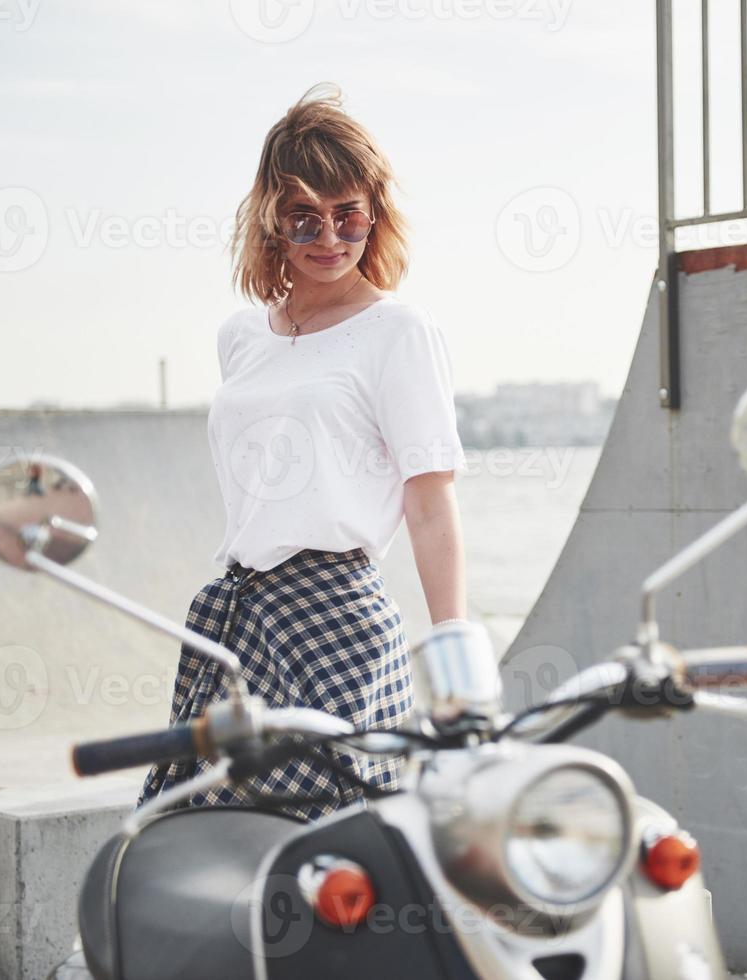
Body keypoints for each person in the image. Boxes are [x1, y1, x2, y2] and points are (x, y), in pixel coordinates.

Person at [138, 83, 467, 821]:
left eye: (348, 213)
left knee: (343, 841)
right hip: (237, 617)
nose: (329, 237)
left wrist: (453, 649)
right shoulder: (240, 336)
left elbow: (429, 498)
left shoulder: (398, 332)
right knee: (204, 830)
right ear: (270, 221)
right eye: (304, 217)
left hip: (338, 620)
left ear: (374, 214)